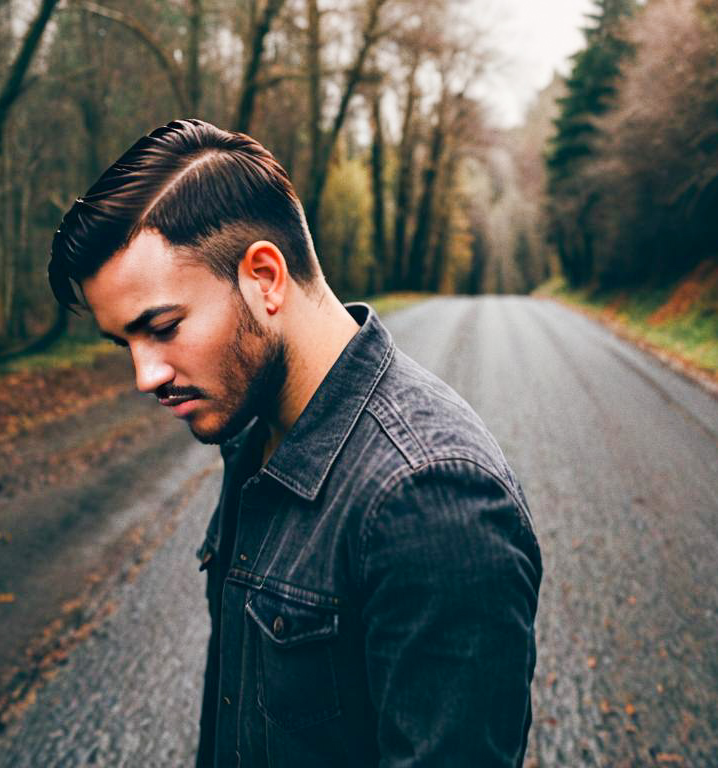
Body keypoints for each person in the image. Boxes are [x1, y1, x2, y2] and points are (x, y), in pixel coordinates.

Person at [48, 118, 542, 767]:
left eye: (162, 328)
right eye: (125, 344)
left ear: (265, 278)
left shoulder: (431, 498)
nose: (145, 376)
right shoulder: (252, 434)